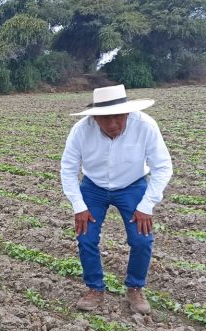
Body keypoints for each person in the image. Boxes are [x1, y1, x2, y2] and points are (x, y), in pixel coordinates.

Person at [60, 84, 172, 315]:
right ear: (94, 117)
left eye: (118, 117)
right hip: (94, 187)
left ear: (128, 112)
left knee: (142, 239)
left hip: (132, 185)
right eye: (105, 119)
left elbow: (163, 167)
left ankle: (135, 287)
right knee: (86, 237)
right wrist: (79, 205)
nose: (113, 125)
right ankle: (95, 289)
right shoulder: (81, 130)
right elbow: (68, 169)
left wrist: (146, 204)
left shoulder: (145, 126)